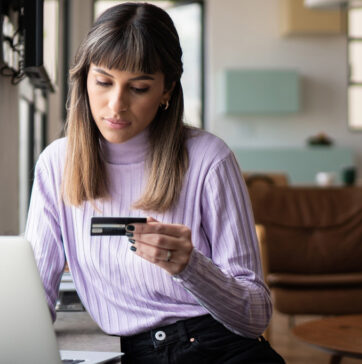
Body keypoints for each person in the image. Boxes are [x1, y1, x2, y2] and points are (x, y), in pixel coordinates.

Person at [24, 3, 284, 363]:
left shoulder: (209, 159)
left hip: (216, 347)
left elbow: (255, 316)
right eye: (103, 82)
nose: (116, 106)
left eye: (139, 88)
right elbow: (34, 298)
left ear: (166, 90)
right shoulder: (57, 164)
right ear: (84, 79)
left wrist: (190, 267)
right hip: (130, 353)